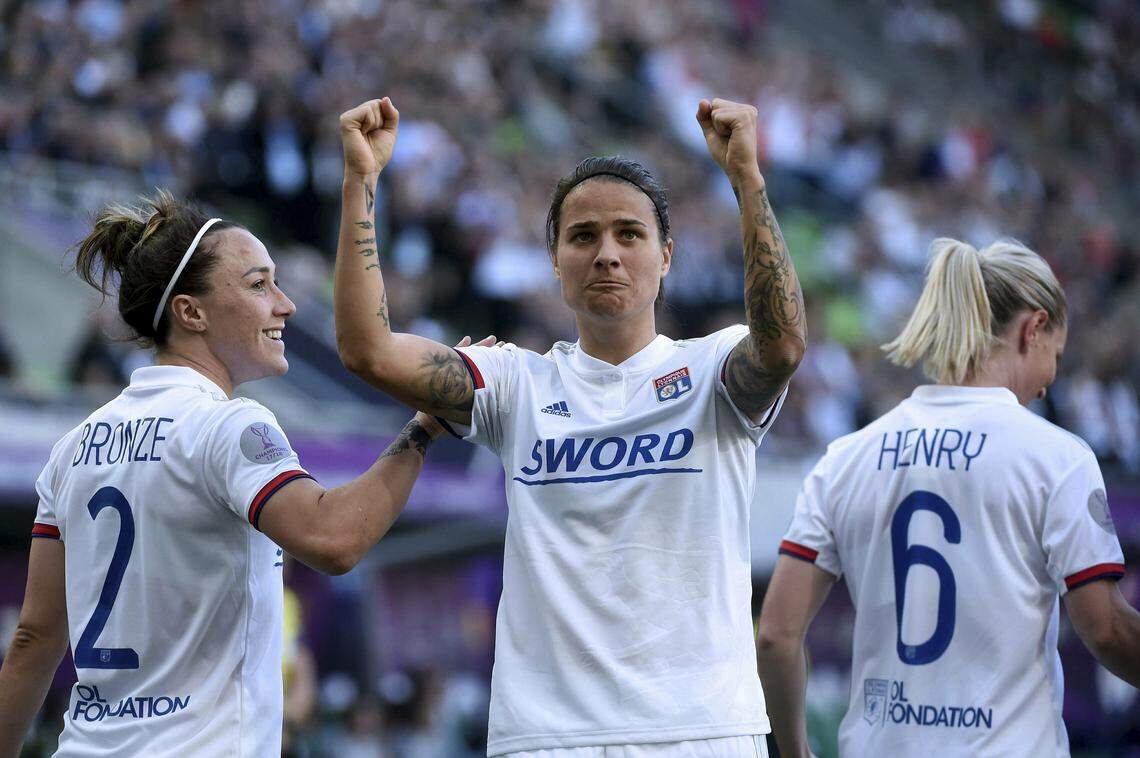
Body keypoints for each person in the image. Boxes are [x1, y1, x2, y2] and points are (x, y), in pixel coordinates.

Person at [333, 96, 805, 757]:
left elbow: (782, 347)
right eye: (583, 237)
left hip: (703, 731)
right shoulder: (514, 385)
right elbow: (369, 352)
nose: (607, 254)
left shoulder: (714, 371)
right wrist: (362, 181)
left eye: (629, 234)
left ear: (666, 256)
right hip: (545, 737)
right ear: (555, 261)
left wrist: (747, 180)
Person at [0, 191, 479, 757]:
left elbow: (34, 638)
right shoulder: (227, 426)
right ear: (191, 312)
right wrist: (425, 430)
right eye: (258, 285)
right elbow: (334, 539)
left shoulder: (71, 448)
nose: (286, 305)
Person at [756, 238, 1140, 757]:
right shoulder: (1056, 458)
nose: (1050, 384)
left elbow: (776, 635)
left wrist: (798, 752)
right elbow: (1108, 630)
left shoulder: (845, 457)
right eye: (1057, 357)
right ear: (1034, 329)